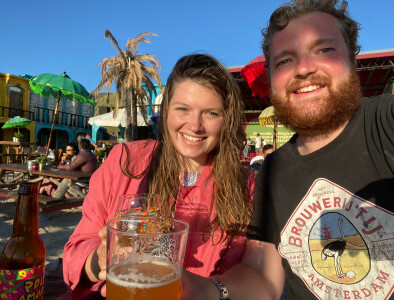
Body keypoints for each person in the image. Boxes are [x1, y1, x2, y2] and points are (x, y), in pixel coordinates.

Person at [181, 1, 394, 299]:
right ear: (271, 78)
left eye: (324, 50)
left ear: (351, 59)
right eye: (284, 60)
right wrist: (203, 289)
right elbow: (261, 275)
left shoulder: (387, 122)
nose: (304, 68)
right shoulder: (273, 171)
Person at [62, 54, 254, 298]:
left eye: (211, 113)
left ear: (227, 119)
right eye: (182, 109)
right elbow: (75, 251)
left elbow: (248, 275)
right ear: (166, 112)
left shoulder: (245, 186)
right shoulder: (125, 162)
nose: (195, 125)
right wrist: (99, 258)